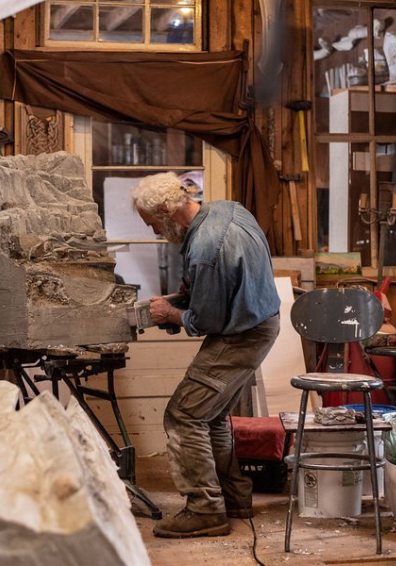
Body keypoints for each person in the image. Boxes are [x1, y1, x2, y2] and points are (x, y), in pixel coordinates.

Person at [131, 172, 281, 538]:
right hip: (261, 322)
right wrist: (191, 292)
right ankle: (233, 498)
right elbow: (226, 281)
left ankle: (204, 509)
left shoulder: (205, 249)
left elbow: (206, 321)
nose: (155, 232)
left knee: (183, 415)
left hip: (241, 335)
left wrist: (171, 313)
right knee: (209, 415)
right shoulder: (229, 209)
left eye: (152, 223)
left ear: (166, 210)